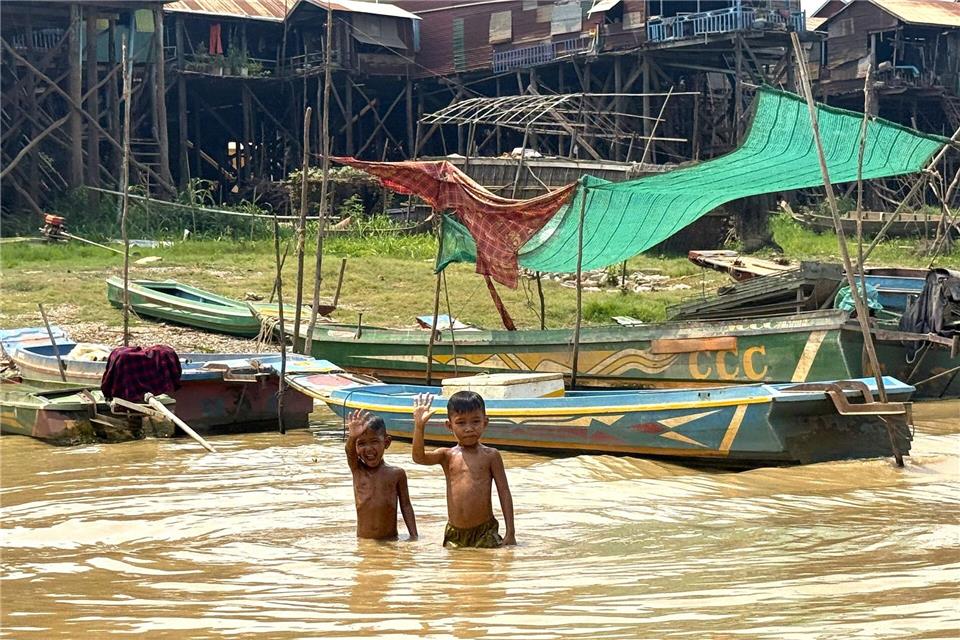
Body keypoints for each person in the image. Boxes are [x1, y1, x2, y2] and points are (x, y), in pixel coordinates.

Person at [411, 391, 516, 548]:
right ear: (449, 425)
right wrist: (419, 427)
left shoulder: (491, 456)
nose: (469, 428)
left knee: (486, 568)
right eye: (461, 423)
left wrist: (511, 532)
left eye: (475, 421)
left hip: (485, 531)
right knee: (457, 570)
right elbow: (418, 458)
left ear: (485, 423)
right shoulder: (446, 455)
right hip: (455, 532)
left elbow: (504, 493)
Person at [345, 409, 417, 541]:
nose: (368, 449)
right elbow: (349, 453)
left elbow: (406, 506)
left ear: (387, 442)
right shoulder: (358, 470)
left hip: (391, 540)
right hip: (364, 542)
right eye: (361, 443)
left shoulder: (397, 474)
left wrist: (414, 536)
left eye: (374, 441)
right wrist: (352, 437)